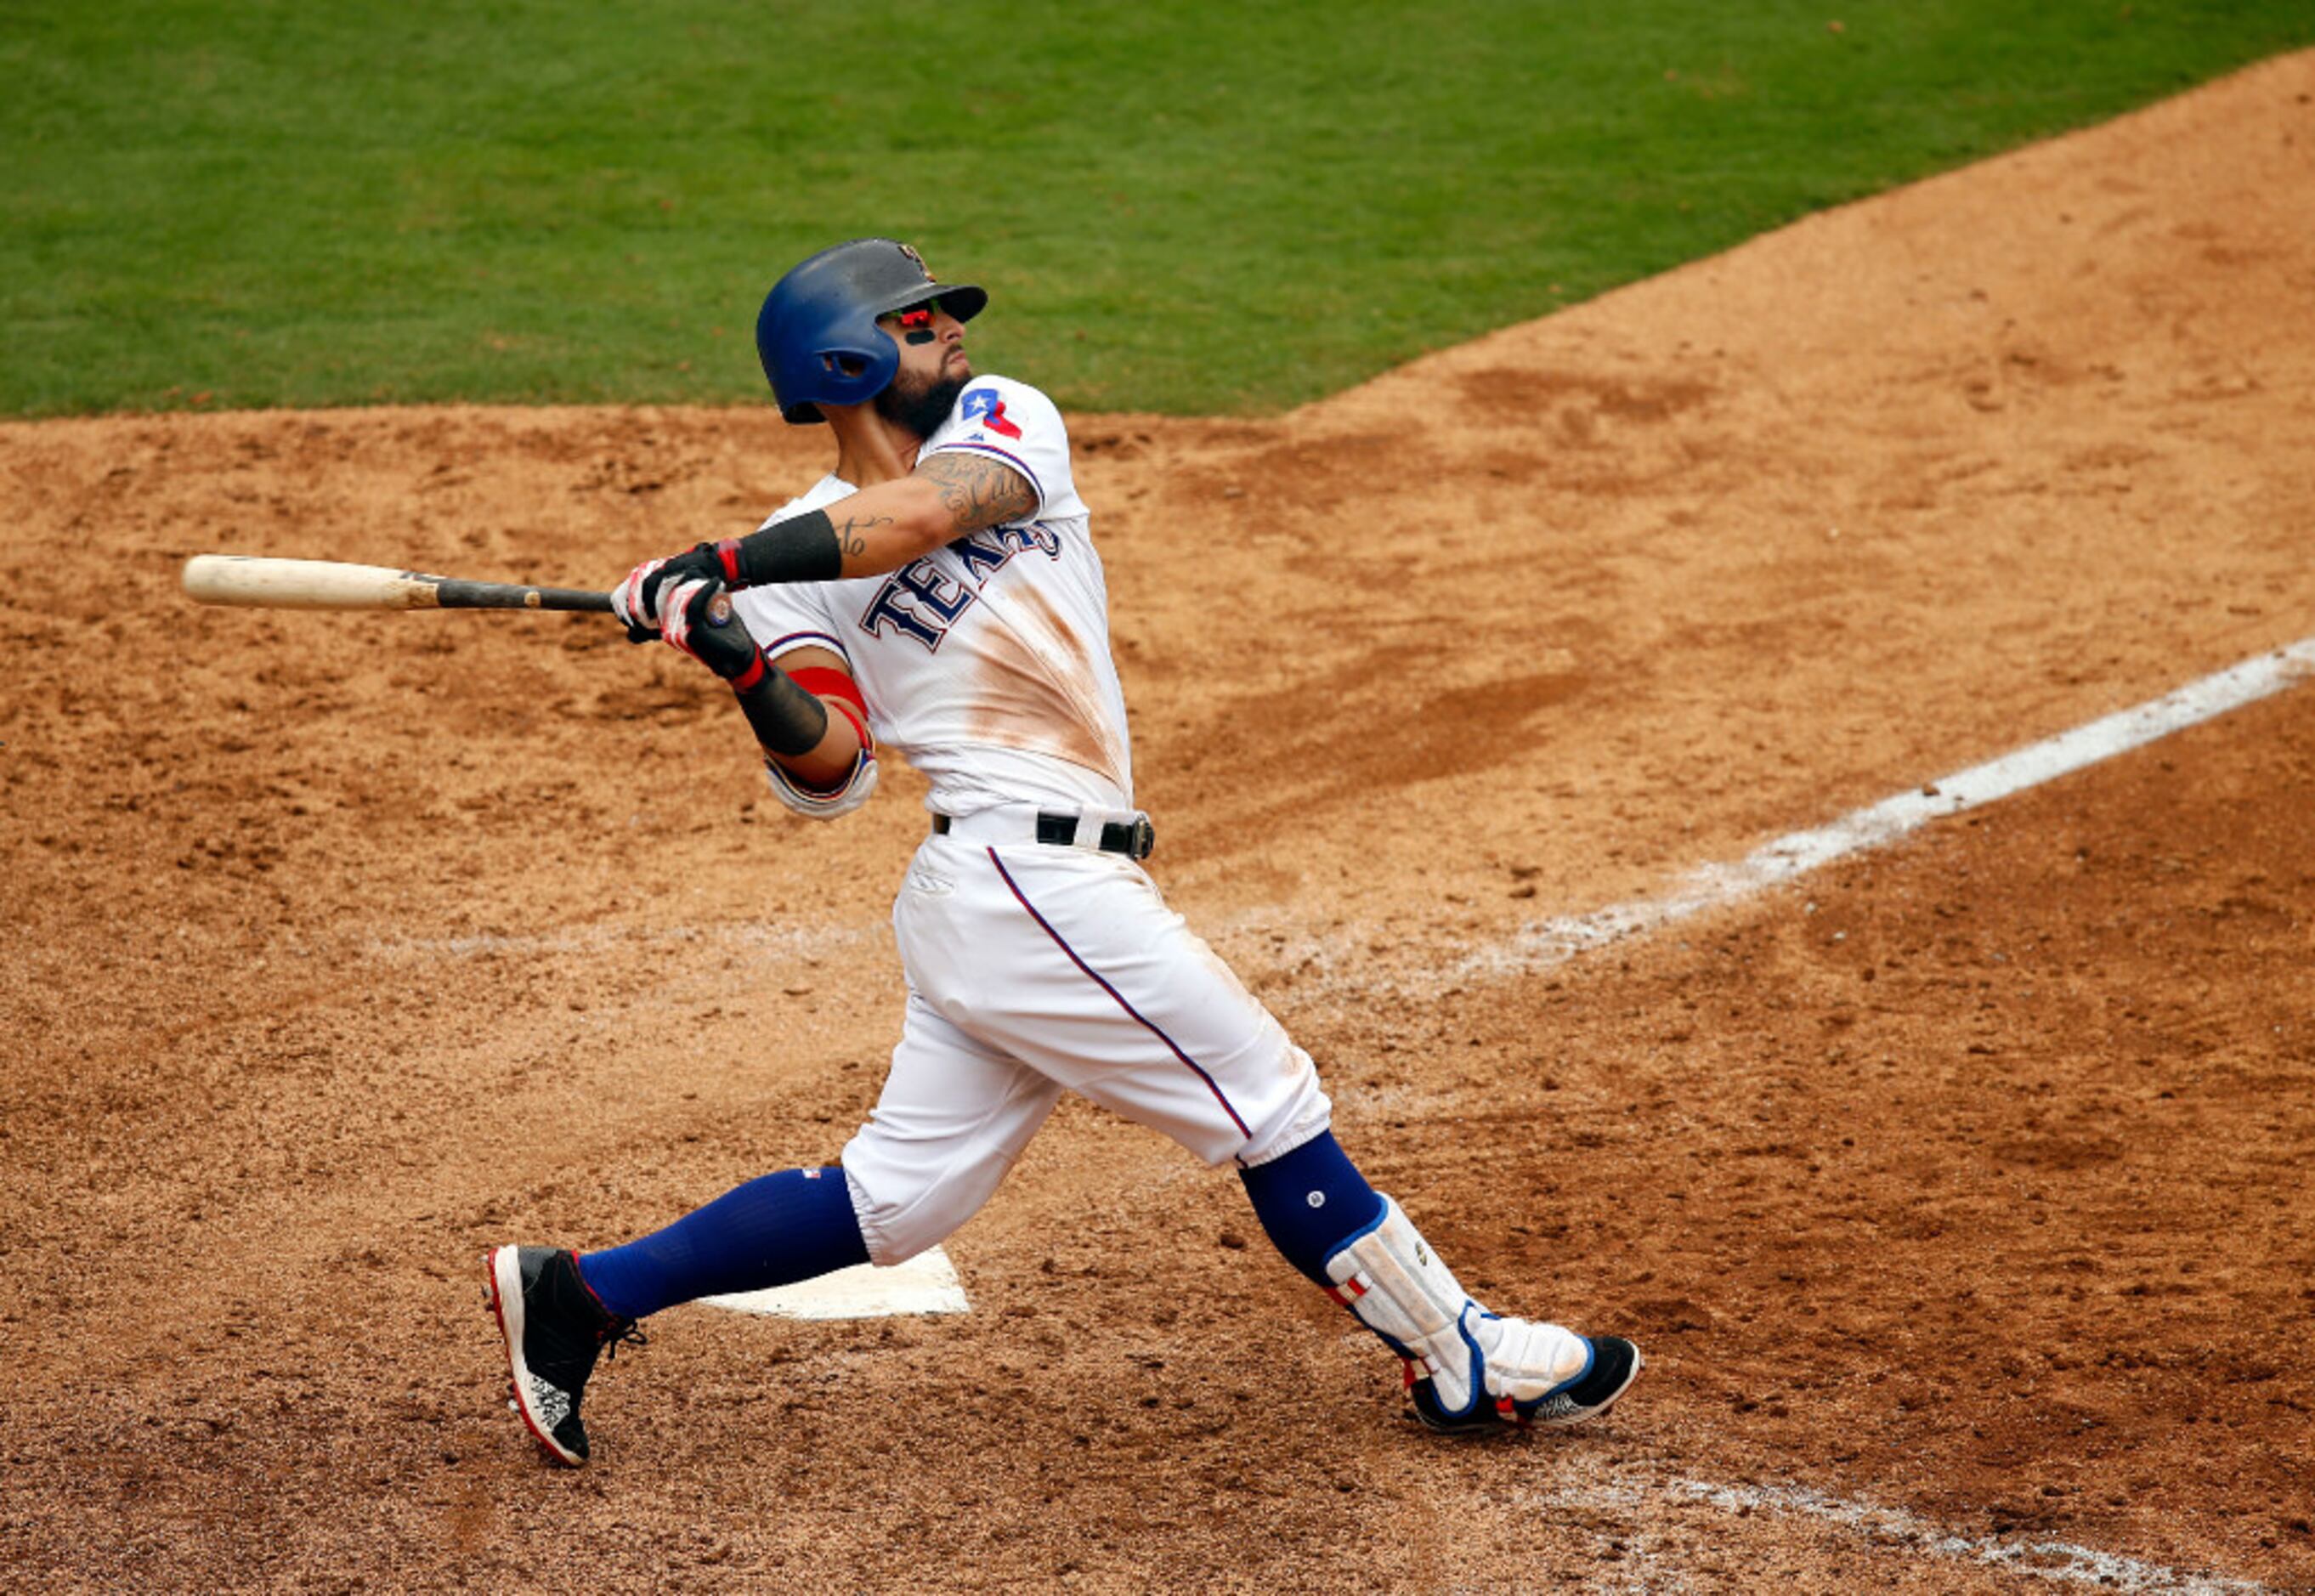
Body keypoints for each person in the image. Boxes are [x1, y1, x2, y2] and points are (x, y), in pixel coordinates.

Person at [484, 238, 1641, 1466]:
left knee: (897, 1201)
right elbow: (833, 769)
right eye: (920, 318)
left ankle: (577, 1293)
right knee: (1266, 1096)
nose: (952, 329)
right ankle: (1459, 1353)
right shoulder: (785, 562)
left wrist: (721, 563)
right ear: (847, 354)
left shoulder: (1001, 422)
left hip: (1032, 883)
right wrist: (736, 653)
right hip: (1016, 878)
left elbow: (923, 515)